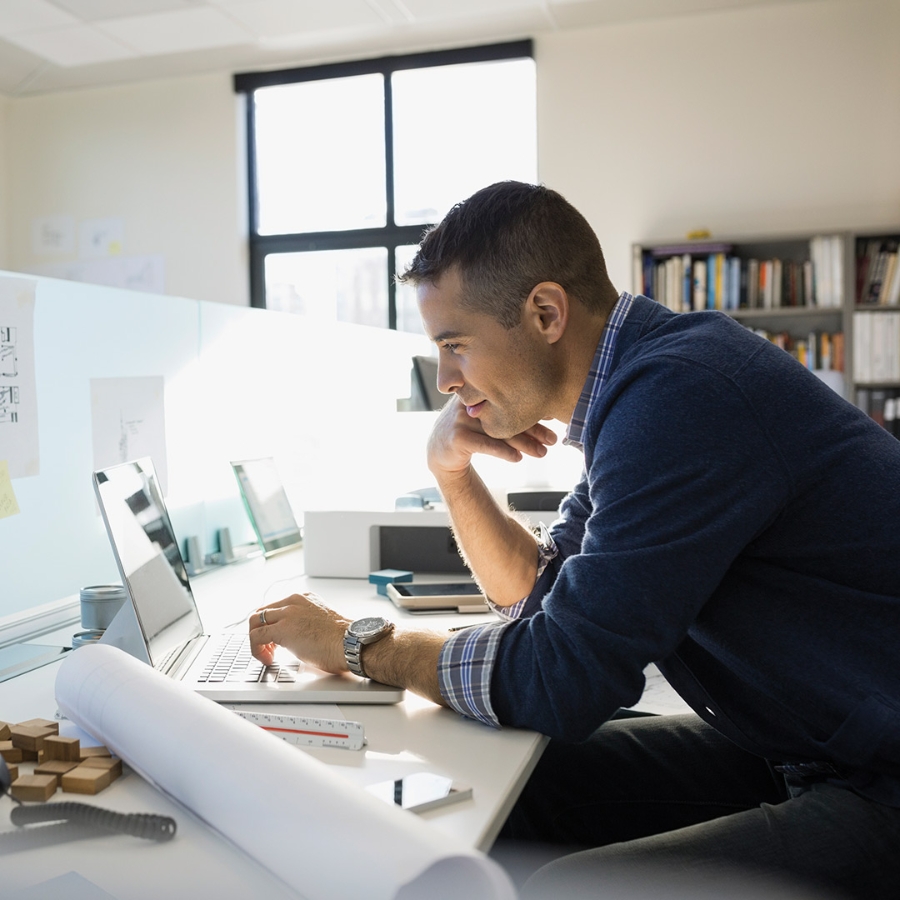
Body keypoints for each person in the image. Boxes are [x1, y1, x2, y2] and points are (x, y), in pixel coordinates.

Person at [249, 181, 900, 899]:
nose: (446, 380)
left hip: (881, 774)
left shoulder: (679, 399)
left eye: (456, 346)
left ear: (546, 313)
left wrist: (360, 645)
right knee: (518, 787)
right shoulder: (641, 394)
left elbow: (563, 679)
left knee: (569, 888)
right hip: (804, 741)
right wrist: (453, 472)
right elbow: (537, 593)